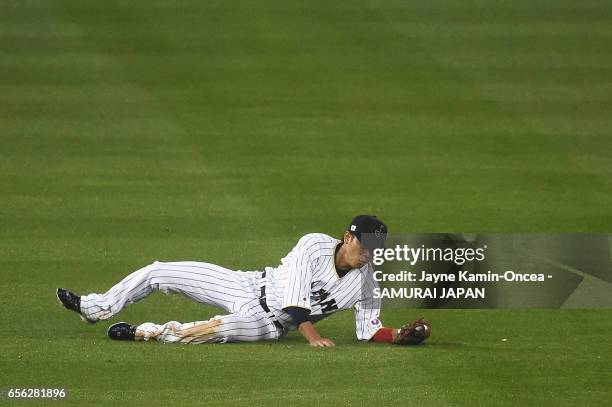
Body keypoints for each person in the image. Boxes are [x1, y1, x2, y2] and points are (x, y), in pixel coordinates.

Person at [56, 215, 430, 347]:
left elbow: (369, 330)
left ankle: (144, 332)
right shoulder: (314, 245)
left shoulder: (368, 283)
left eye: (377, 249)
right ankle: (96, 307)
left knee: (207, 332)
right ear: (348, 238)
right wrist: (314, 337)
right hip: (249, 284)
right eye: (366, 246)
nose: (370, 255)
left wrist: (399, 336)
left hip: (267, 324)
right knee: (159, 271)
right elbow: (298, 301)